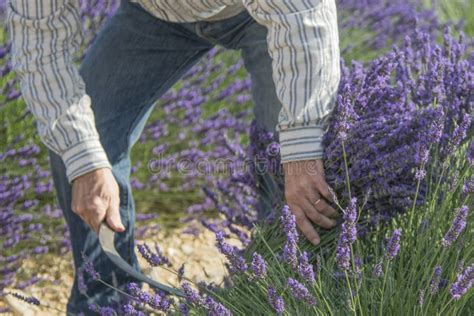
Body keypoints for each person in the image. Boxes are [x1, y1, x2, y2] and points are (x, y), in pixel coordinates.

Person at [7, 0, 341, 312]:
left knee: (289, 162)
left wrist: (302, 146)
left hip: (266, 12)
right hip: (156, 13)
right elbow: (41, 50)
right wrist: (85, 159)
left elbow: (301, 14)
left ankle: (288, 299)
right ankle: (110, 302)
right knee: (83, 143)